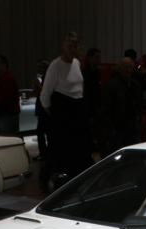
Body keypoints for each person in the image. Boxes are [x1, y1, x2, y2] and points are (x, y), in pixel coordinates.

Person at [41, 32, 93, 187]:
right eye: (69, 46)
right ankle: (53, 181)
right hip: (63, 110)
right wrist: (54, 114)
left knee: (80, 147)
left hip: (78, 109)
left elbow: (79, 87)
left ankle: (77, 179)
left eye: (75, 46)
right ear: (63, 47)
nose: (72, 49)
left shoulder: (76, 63)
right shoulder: (55, 65)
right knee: (60, 149)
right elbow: (45, 94)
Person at [0, 54, 20, 134]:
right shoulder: (2, 78)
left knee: (6, 137)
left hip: (7, 115)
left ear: (3, 65)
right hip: (2, 115)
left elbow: (6, 98)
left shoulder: (7, 79)